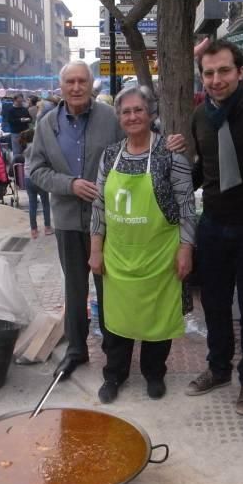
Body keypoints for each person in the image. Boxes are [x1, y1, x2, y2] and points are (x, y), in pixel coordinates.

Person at [30, 60, 185, 380]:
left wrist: (169, 142)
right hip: (69, 220)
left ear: (91, 85)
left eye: (81, 81)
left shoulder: (108, 117)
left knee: (112, 291)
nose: (75, 87)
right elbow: (35, 170)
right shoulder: (47, 124)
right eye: (69, 82)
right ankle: (76, 351)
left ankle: (117, 359)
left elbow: (140, 134)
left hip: (110, 221)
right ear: (61, 87)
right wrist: (68, 184)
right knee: (74, 288)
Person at [187, 39, 243, 415]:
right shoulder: (199, 116)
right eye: (208, 73)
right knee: (214, 303)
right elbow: (202, 170)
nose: (216, 79)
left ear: (240, 71)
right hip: (213, 224)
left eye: (224, 70)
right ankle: (219, 368)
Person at [89, 86, 196, 403]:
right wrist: (96, 248)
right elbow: (99, 205)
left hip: (159, 256)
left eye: (138, 110)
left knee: (157, 320)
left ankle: (154, 374)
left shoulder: (171, 154)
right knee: (116, 323)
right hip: (118, 256)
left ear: (151, 114)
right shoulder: (110, 155)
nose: (132, 116)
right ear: (119, 117)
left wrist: (186, 249)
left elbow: (187, 206)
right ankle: (114, 375)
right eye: (126, 111)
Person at [15, 129, 51, 239]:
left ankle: (34, 230)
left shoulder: (25, 148)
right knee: (45, 203)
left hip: (28, 178)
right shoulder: (38, 147)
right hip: (39, 177)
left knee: (32, 204)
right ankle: (47, 227)